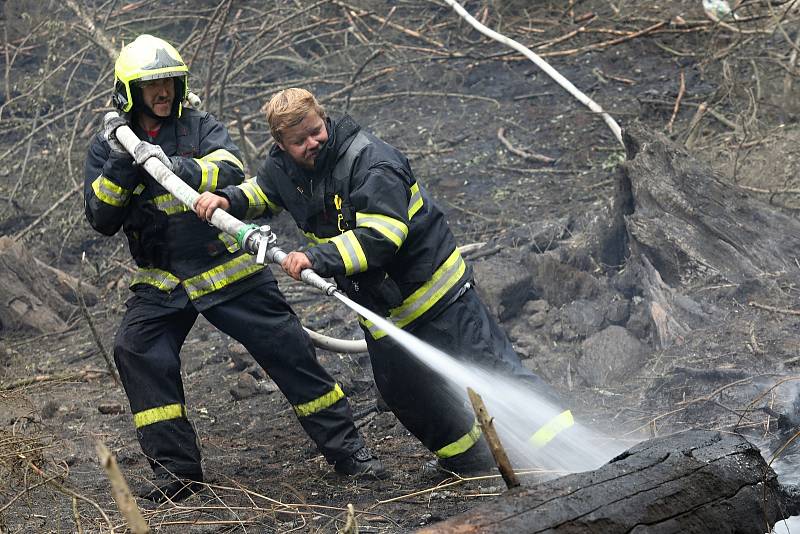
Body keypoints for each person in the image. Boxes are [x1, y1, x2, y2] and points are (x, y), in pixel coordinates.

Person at [194, 88, 571, 477]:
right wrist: (229, 200)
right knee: (405, 393)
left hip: (438, 296)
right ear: (281, 144)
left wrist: (315, 258)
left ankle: (570, 456)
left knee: (495, 372)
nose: (312, 143)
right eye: (299, 141)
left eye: (316, 131)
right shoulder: (285, 168)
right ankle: (469, 462)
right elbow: (267, 191)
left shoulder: (371, 162)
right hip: (383, 312)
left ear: (324, 118)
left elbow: (382, 237)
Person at [84, 38, 385, 503]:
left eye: (169, 81)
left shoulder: (200, 125)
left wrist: (174, 165)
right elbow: (101, 218)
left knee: (288, 348)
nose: (164, 91)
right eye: (152, 85)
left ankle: (348, 453)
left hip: (225, 266)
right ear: (130, 91)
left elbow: (229, 171)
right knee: (137, 350)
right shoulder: (109, 147)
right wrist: (125, 164)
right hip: (164, 279)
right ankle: (177, 476)